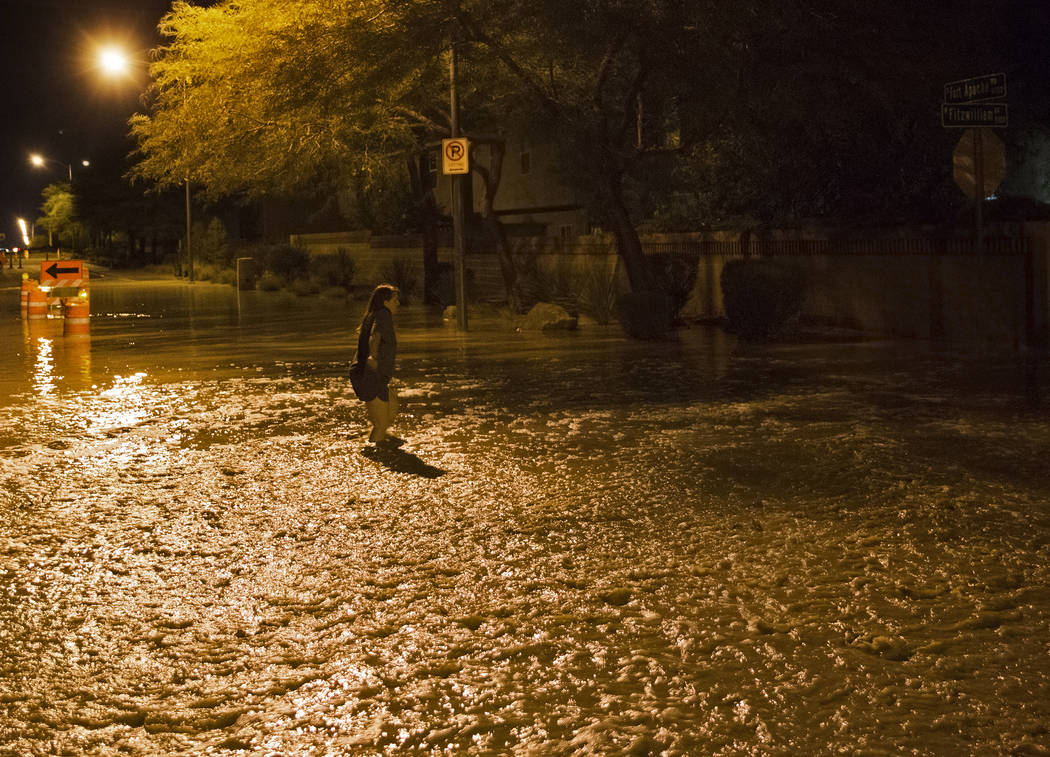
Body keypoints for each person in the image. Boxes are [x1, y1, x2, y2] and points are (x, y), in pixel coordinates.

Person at [349, 284, 401, 447]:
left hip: (364, 374)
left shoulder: (373, 315)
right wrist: (373, 357)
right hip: (370, 375)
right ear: (385, 302)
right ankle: (377, 453)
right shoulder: (383, 315)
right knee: (382, 424)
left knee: (391, 410)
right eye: (395, 300)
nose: (397, 303)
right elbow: (376, 336)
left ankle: (372, 442)